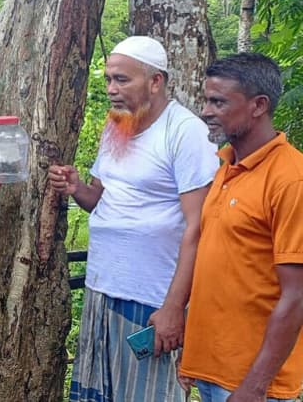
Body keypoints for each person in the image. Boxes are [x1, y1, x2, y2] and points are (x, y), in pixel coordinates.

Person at [47, 36, 219, 402]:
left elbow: (199, 228)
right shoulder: (117, 127)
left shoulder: (185, 132)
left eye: (122, 80)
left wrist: (174, 309)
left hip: (151, 299)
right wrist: (77, 187)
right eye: (108, 79)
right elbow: (101, 201)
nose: (111, 89)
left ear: (155, 81)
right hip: (102, 288)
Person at [178, 53, 303, 402]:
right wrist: (193, 355)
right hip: (213, 371)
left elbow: (297, 295)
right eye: (206, 100)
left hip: (252, 384)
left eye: (218, 101)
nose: (206, 110)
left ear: (258, 105)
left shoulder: (291, 180)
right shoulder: (226, 167)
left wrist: (255, 385)